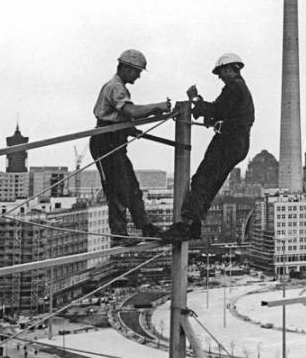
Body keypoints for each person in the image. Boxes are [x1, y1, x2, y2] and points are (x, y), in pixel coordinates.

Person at [161, 53, 253, 241]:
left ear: (229, 69)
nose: (219, 77)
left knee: (202, 180)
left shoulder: (234, 87)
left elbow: (216, 110)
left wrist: (195, 100)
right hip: (237, 142)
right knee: (212, 183)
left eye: (220, 72)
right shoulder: (239, 89)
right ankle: (195, 224)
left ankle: (185, 224)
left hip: (228, 140)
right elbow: (219, 110)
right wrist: (202, 106)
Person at [92, 49, 171, 246]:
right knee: (117, 188)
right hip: (106, 142)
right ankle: (119, 235)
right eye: (137, 71)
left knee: (132, 188)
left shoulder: (117, 87)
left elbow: (123, 117)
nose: (138, 76)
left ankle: (146, 227)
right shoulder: (116, 88)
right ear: (126, 68)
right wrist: (156, 107)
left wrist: (132, 128)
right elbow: (131, 111)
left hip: (115, 141)